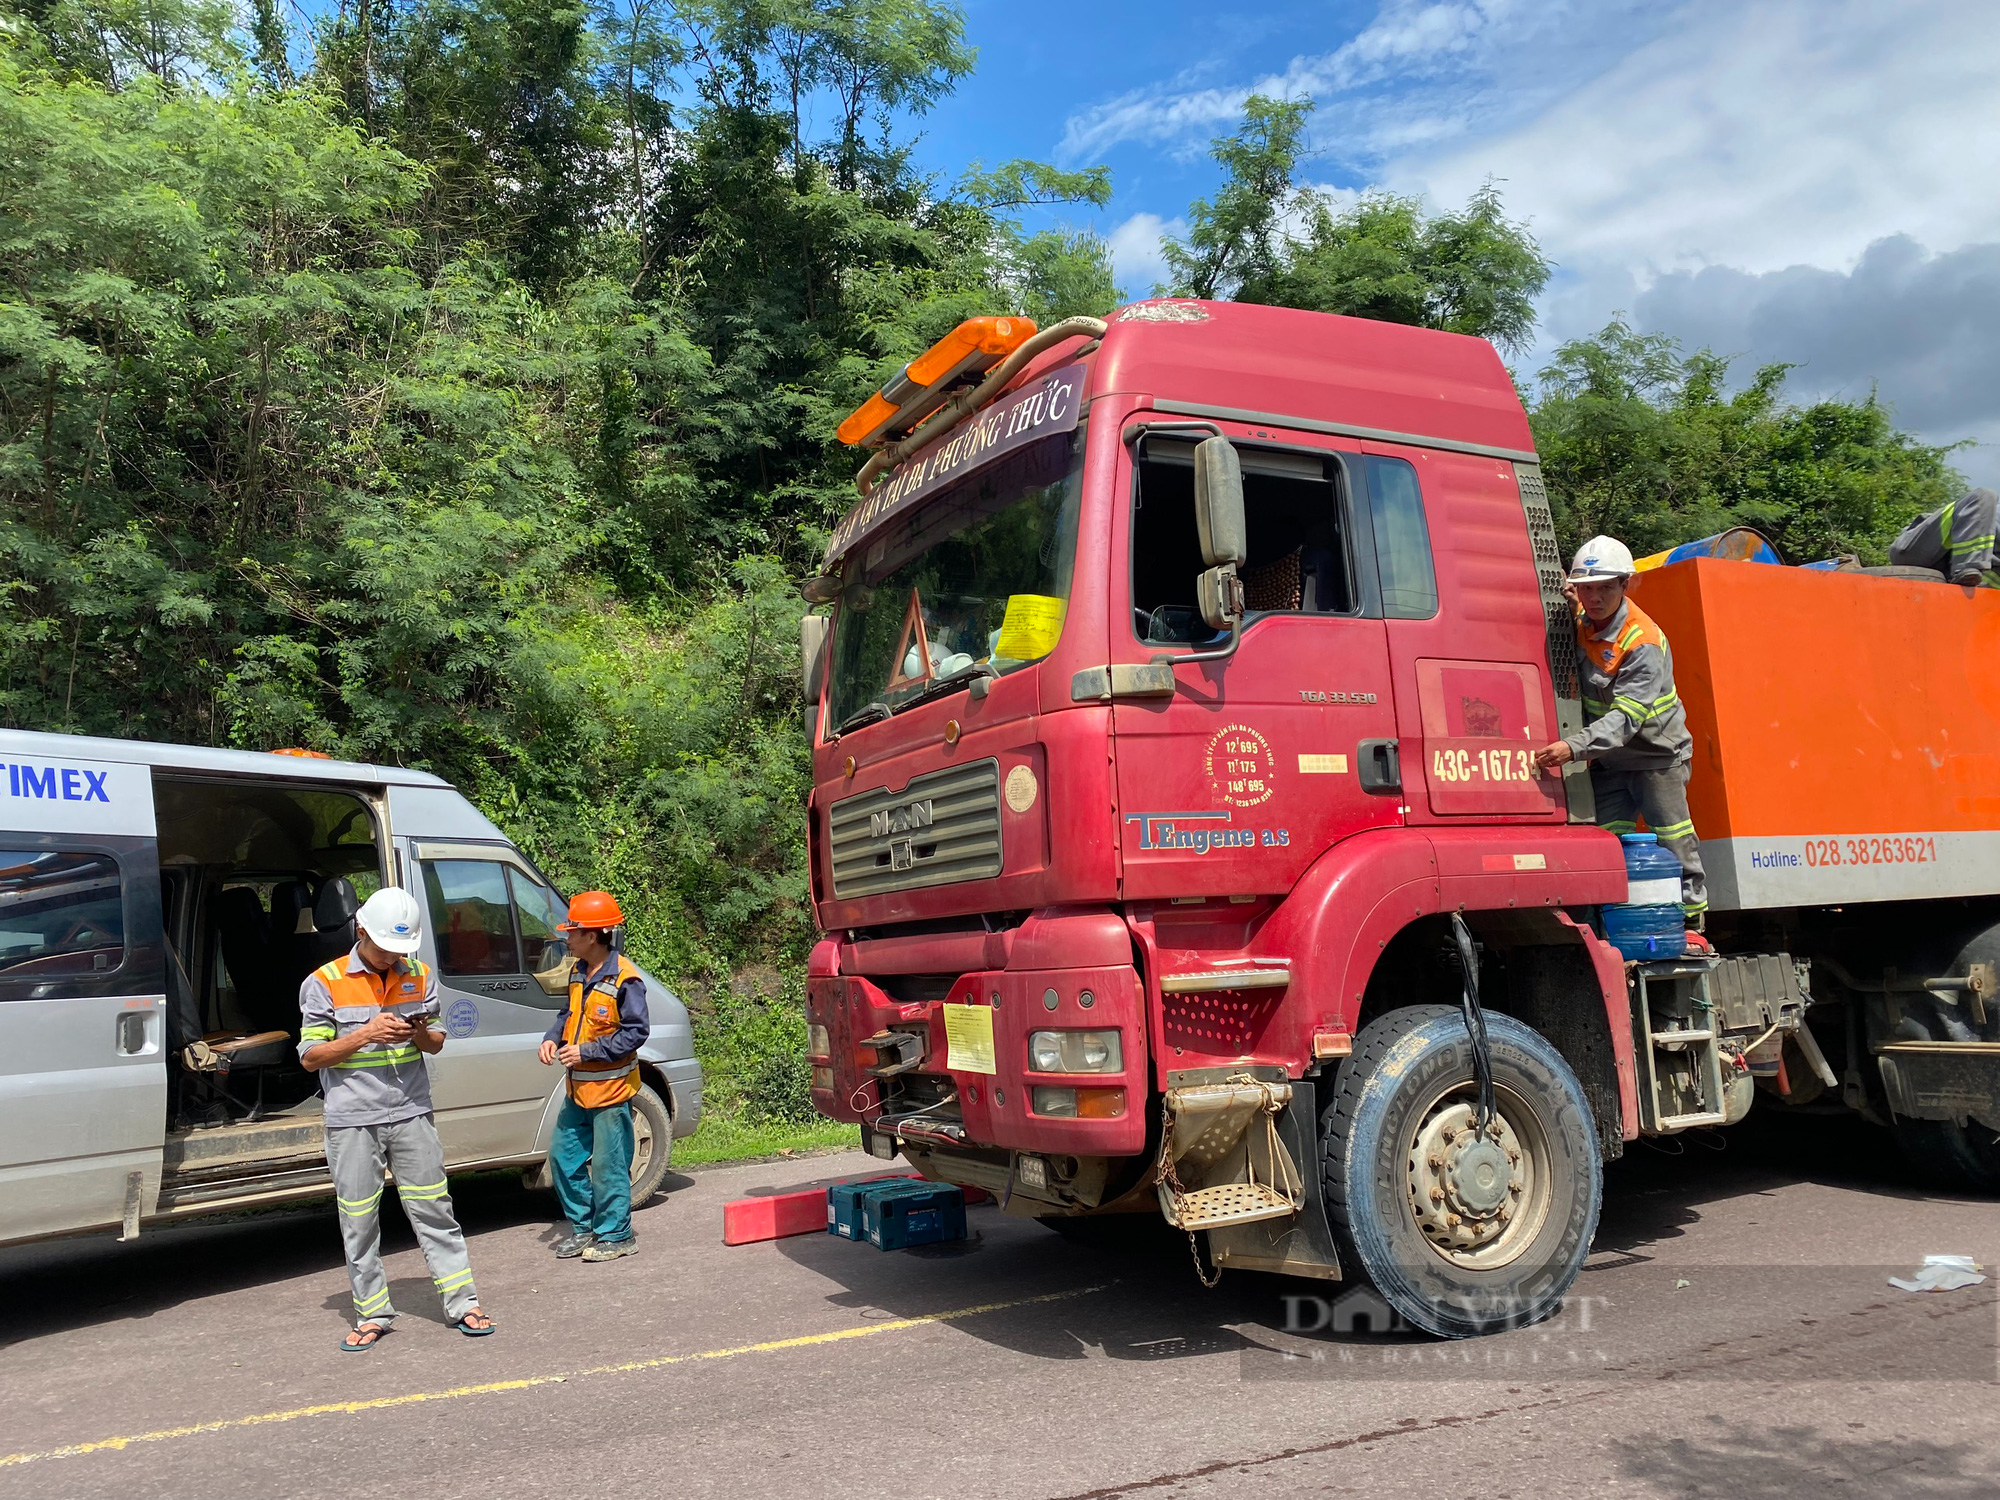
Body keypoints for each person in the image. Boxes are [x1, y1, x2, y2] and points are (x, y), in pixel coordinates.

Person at [298, 887, 493, 1350]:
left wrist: (421, 1031)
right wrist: (366, 1033)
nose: (394, 958)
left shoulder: (419, 974)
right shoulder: (324, 982)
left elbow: (437, 1043)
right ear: (361, 931)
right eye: (387, 948)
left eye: (402, 950)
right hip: (352, 1119)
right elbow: (310, 1057)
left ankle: (463, 1304)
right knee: (359, 1220)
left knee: (435, 1210)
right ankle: (372, 1314)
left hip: (411, 1111)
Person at [1531, 536, 1708, 927]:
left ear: (1624, 586)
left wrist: (1572, 747)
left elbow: (1627, 717)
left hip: (1656, 760)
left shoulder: (1641, 640)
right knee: (1605, 846)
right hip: (1611, 761)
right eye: (1586, 588)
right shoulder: (1581, 620)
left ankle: (1693, 927)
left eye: (1605, 588)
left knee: (1674, 840)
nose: (1594, 598)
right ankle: (1611, 926)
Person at [539, 890, 650, 1262]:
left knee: (609, 1165)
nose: (566, 938)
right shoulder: (577, 971)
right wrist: (552, 1038)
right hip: (578, 1090)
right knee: (562, 1158)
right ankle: (585, 1228)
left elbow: (636, 1033)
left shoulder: (626, 979)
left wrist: (585, 1052)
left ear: (592, 935)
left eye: (572, 932)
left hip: (610, 1090)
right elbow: (567, 1015)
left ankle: (617, 1235)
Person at [1888, 487, 1999, 583]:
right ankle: (1967, 567)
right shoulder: (1988, 513)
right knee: (1985, 495)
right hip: (1914, 550)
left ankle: (1966, 573)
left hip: (1945, 571)